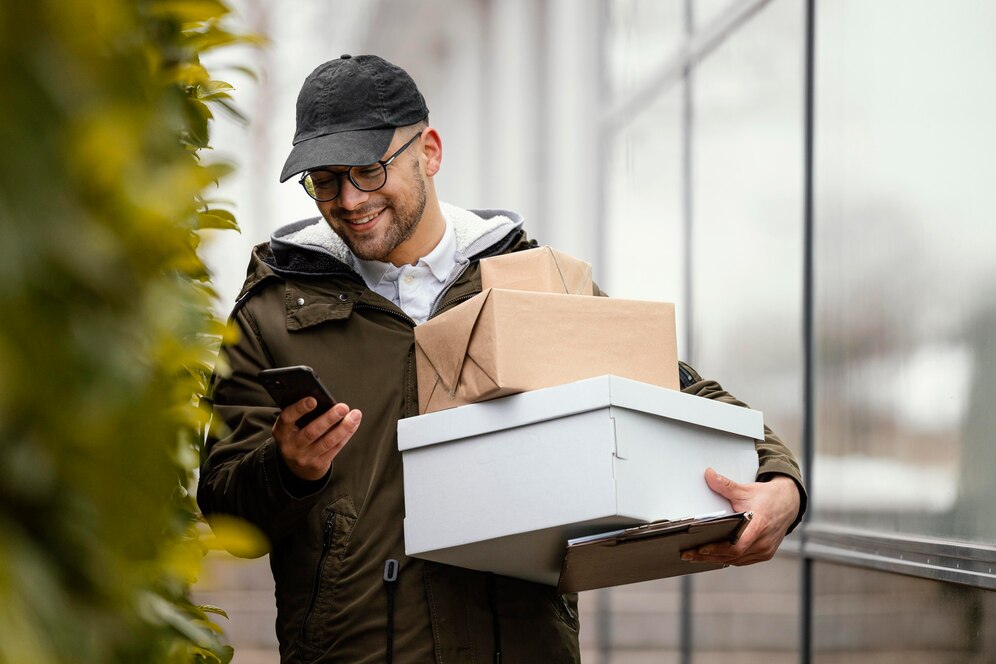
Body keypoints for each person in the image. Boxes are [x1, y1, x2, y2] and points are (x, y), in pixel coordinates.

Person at [197, 54, 807, 663]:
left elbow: (671, 389)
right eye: (325, 180)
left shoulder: (534, 284)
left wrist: (779, 480)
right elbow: (225, 510)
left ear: (429, 152)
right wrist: (287, 468)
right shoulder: (269, 314)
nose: (349, 199)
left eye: (368, 170)